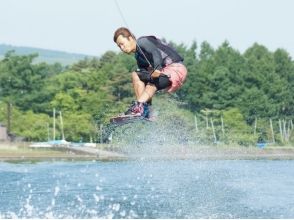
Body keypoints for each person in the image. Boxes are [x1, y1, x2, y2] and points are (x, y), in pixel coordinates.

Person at [113, 27, 187, 118]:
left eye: (122, 44)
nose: (122, 48)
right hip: (165, 73)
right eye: (119, 46)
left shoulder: (142, 42)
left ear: (130, 38)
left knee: (152, 82)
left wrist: (157, 69)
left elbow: (155, 53)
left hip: (175, 68)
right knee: (136, 75)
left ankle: (138, 108)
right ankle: (147, 111)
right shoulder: (138, 56)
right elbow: (144, 82)